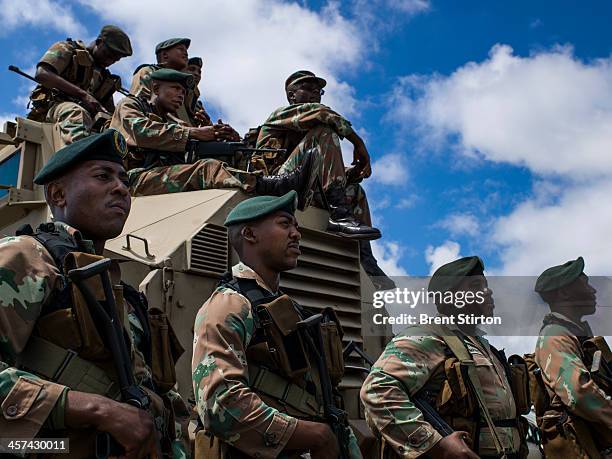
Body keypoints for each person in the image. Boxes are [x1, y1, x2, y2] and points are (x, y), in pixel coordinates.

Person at [0, 130, 189, 458]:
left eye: (124, 180)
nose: (120, 188)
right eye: (102, 176)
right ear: (58, 195)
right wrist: (96, 409)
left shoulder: (121, 290)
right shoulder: (27, 257)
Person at [191, 191, 362, 458]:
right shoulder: (230, 305)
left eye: (296, 225)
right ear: (249, 234)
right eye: (285, 224)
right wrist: (314, 436)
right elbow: (220, 405)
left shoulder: (284, 309)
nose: (296, 234)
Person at [360, 256, 528, 458]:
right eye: (475, 286)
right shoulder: (426, 336)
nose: (488, 291)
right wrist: (436, 445)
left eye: (486, 285)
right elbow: (377, 390)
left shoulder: (483, 346)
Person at [255, 70, 394, 288]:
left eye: (318, 91)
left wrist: (350, 175)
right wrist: (358, 143)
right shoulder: (281, 115)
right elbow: (322, 113)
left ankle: (365, 257)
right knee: (325, 132)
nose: (315, 95)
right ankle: (340, 216)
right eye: (307, 89)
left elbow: (318, 170)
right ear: (292, 95)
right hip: (276, 183)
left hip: (304, 186)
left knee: (355, 192)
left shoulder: (309, 140)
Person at [111, 68, 314, 200]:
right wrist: (194, 133)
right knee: (206, 170)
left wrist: (224, 138)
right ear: (156, 88)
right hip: (131, 179)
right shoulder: (130, 105)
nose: (180, 96)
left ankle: (271, 181)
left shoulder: (174, 121)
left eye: (183, 92)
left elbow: (189, 140)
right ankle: (267, 185)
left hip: (159, 175)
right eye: (175, 89)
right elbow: (142, 132)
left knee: (226, 157)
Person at [532, 257, 611, 458]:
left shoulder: (577, 334)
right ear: (565, 292)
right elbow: (578, 392)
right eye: (585, 284)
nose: (593, 291)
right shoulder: (555, 335)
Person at [28, 25, 132, 147]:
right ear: (99, 42)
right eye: (107, 54)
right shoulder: (68, 49)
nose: (109, 61)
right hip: (54, 107)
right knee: (76, 113)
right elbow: (42, 74)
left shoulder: (105, 78)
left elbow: (108, 112)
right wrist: (83, 95)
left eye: (115, 60)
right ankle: (77, 160)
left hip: (86, 120)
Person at [184, 56, 212, 126]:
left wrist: (207, 124)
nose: (196, 74)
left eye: (199, 72)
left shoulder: (198, 105)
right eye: (191, 69)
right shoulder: (170, 93)